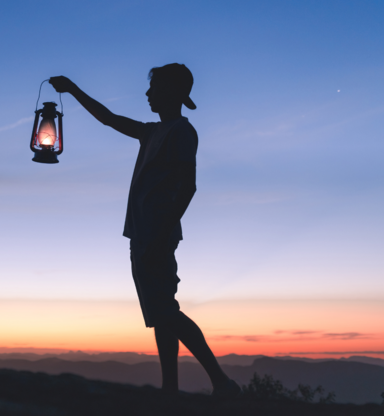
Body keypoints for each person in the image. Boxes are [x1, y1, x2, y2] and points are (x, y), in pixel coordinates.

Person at [49, 64, 241, 398]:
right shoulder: (152, 132)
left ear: (170, 92)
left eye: (154, 89)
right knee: (160, 313)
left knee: (167, 310)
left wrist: (161, 235)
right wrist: (73, 89)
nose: (148, 94)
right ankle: (171, 387)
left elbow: (188, 187)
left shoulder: (181, 131)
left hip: (155, 235)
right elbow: (108, 119)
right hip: (143, 234)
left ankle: (222, 382)